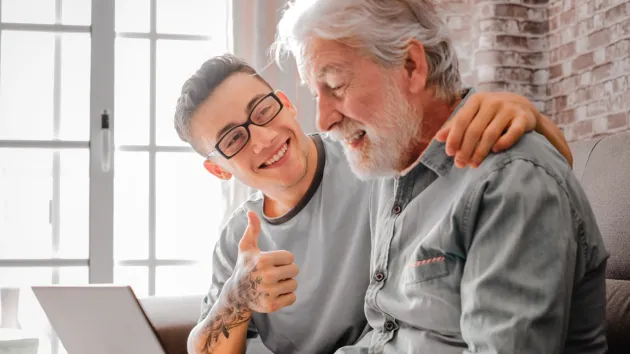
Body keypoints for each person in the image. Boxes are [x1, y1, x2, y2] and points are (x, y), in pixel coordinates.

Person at [174, 54, 572, 354]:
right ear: (218, 169)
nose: (262, 139)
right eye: (233, 140)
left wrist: (527, 116)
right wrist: (236, 298)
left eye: (263, 111)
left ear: (286, 103)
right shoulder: (239, 240)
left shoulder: (370, 154)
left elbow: (542, 180)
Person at [273, 0, 609, 353]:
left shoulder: (510, 180)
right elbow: (389, 335)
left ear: (411, 65)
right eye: (316, 93)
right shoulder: (390, 164)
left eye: (336, 85)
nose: (322, 120)